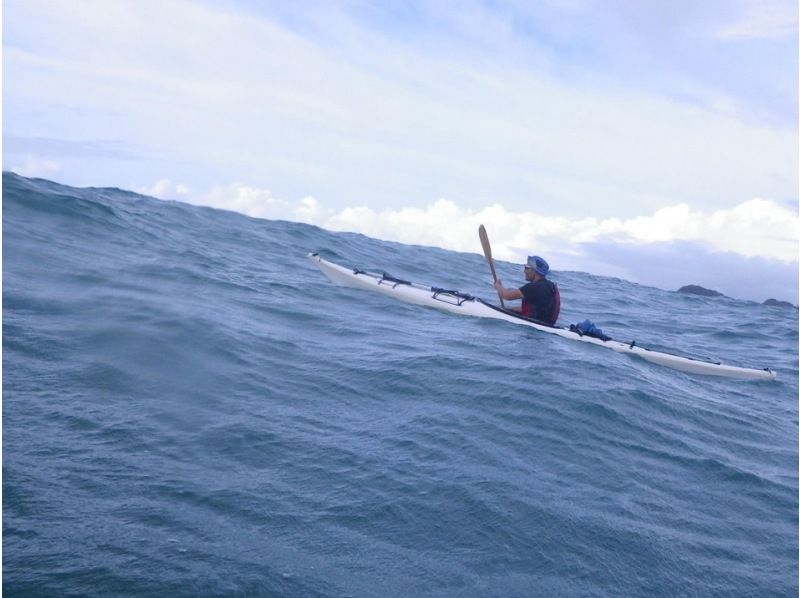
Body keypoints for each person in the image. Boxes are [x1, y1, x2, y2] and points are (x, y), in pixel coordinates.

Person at [493, 255, 560, 325]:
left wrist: (498, 286)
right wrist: (508, 309)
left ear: (534, 271)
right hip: (546, 325)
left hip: (534, 327)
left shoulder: (534, 287)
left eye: (527, 268)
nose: (524, 271)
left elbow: (507, 296)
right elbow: (536, 309)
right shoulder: (549, 286)